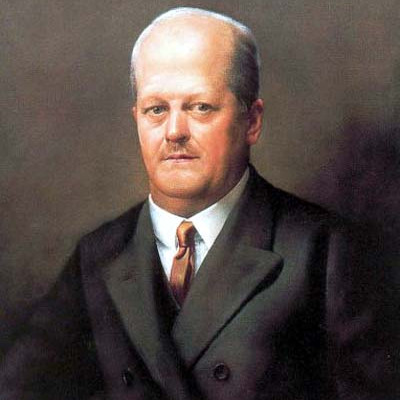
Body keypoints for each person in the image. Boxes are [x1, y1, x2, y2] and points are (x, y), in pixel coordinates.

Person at [0, 7, 394, 400]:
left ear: (252, 121)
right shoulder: (99, 255)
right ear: (137, 119)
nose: (174, 132)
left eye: (200, 107)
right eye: (157, 109)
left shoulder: (327, 251)